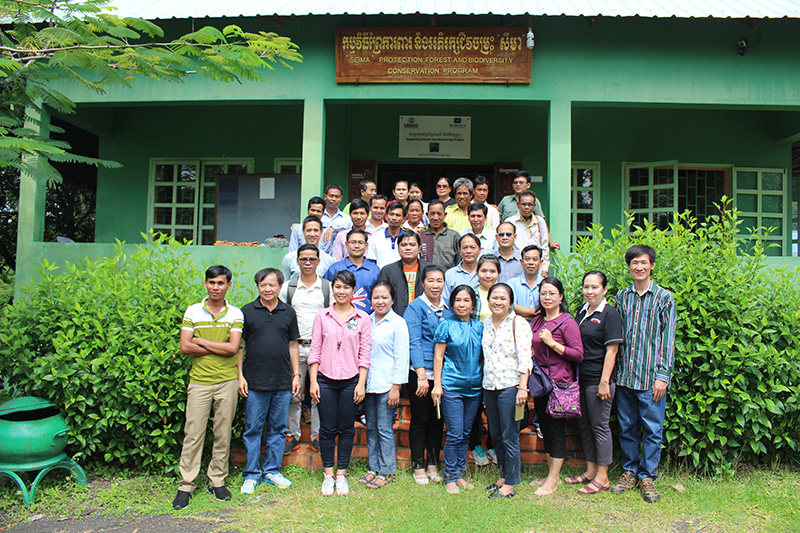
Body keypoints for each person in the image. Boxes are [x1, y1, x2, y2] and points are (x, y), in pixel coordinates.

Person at [173, 265, 243, 510]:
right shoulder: (193, 311)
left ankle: (217, 480)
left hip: (227, 381)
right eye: (211, 282)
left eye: (220, 283)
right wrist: (219, 347)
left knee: (223, 433)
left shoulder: (235, 313)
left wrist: (200, 341)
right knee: (193, 434)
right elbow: (185, 347)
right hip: (199, 382)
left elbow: (233, 349)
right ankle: (186, 484)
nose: (216, 287)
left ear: (228, 286)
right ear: (205, 284)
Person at [611, 245, 676, 503]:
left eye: (644, 262)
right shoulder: (622, 297)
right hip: (625, 375)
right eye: (634, 263)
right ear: (629, 267)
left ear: (652, 265)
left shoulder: (664, 298)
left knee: (652, 430)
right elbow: (616, 336)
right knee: (627, 428)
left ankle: (647, 476)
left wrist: (663, 376)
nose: (639, 267)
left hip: (651, 379)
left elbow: (668, 340)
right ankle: (629, 471)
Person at [308, 270, 372, 496]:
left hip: (350, 381)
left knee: (346, 428)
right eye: (337, 287)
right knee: (326, 428)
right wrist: (313, 381)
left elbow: (365, 354)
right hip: (324, 379)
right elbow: (315, 350)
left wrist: (361, 383)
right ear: (332, 289)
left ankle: (342, 473)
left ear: (353, 290)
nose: (341, 291)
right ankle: (328, 475)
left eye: (346, 287)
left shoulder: (363, 318)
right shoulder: (322, 316)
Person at [238, 268, 301, 494]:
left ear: (280, 287)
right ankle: (252, 473)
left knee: (278, 428)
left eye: (272, 285)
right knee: (253, 429)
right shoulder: (247, 311)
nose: (267, 289)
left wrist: (296, 374)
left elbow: (293, 344)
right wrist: (240, 375)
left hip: (282, 381)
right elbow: (240, 345)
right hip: (254, 382)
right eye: (263, 285)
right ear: (258, 286)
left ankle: (272, 470)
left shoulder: (288, 312)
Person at [567, 271, 623, 495]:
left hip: (599, 380)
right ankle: (590, 471)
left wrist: (604, 381)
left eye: (594, 287)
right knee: (584, 425)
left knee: (600, 426)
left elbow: (612, 351)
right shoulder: (582, 312)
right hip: (581, 379)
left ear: (604, 289)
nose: (589, 291)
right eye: (586, 287)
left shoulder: (610, 315)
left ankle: (602, 477)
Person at [529, 277, 584, 496]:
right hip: (540, 383)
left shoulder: (567, 322)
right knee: (544, 428)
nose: (547, 297)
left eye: (552, 293)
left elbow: (578, 354)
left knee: (556, 431)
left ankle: (553, 479)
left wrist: (553, 343)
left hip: (559, 385)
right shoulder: (537, 321)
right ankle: (551, 474)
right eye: (543, 293)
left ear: (560, 296)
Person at [431, 285, 484, 495]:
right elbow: (438, 356)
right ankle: (450, 477)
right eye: (458, 300)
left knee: (465, 433)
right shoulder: (445, 325)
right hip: (452, 386)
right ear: (452, 304)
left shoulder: (480, 327)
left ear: (473, 304)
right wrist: (437, 385)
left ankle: (460, 474)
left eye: (466, 300)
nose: (462, 304)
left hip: (475, 388)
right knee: (454, 433)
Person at [481, 283, 532, 499]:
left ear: (510, 302)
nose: (498, 302)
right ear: (488, 300)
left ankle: (511, 483)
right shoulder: (486, 323)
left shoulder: (518, 323)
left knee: (510, 435)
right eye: (494, 298)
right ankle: (503, 476)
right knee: (496, 434)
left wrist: (522, 387)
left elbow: (525, 357)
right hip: (490, 386)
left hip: (510, 386)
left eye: (503, 298)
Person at [280, 243, 330, 455]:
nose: (308, 263)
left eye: (312, 259)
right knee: (294, 394)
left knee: (319, 394)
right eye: (303, 259)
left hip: (321, 349)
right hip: (295, 347)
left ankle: (317, 435)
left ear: (318, 262)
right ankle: (293, 435)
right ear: (297, 261)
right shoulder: (288, 287)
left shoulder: (327, 288)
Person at [360, 281, 410, 489]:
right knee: (371, 428)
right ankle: (373, 468)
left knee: (384, 429)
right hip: (368, 384)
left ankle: (387, 470)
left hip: (387, 385)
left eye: (384, 297)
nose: (380, 301)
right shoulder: (366, 320)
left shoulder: (398, 323)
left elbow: (402, 357)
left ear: (392, 300)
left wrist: (396, 387)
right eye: (376, 297)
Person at [404, 265, 451, 485]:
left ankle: (433, 463)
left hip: (442, 374)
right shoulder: (415, 307)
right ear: (422, 283)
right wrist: (422, 376)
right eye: (430, 280)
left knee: (437, 419)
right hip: (420, 372)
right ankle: (418, 465)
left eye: (439, 280)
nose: (435, 285)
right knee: (421, 419)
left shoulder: (448, 308)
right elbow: (413, 341)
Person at [468, 253, 502, 466]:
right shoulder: (471, 294)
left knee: (495, 403)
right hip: (473, 354)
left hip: (498, 357)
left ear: (498, 273)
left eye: (492, 271)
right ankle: (474, 445)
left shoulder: (502, 293)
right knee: (474, 401)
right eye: (484, 270)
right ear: (477, 272)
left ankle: (493, 444)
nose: (488, 275)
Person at [498, 171, 560, 250]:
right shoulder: (505, 200)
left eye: (521, 182)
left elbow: (541, 222)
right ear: (518, 205)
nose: (518, 185)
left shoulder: (535, 201)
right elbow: (498, 218)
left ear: (528, 185)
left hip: (529, 238)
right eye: (515, 182)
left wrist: (550, 241)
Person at [376, 231, 433, 316]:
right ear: (398, 248)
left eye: (412, 245)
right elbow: (381, 297)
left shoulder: (430, 270)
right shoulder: (387, 271)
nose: (408, 248)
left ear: (419, 248)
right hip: (395, 318)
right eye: (403, 245)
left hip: (425, 317)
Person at [325, 228, 381, 315]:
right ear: (346, 245)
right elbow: (327, 295)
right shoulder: (334, 269)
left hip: (368, 318)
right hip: (338, 318)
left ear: (366, 245)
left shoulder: (375, 270)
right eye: (353, 242)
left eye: (360, 243)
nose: (356, 246)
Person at [506, 191, 551, 276]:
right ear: (518, 205)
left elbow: (544, 246)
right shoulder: (510, 222)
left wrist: (545, 269)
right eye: (523, 204)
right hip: (515, 267)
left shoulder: (540, 221)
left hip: (535, 268)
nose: (526, 207)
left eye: (530, 204)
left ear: (534, 206)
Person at [419, 199, 460, 270]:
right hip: (425, 276)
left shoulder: (454, 236)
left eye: (439, 214)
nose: (435, 218)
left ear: (445, 215)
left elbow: (459, 262)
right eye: (432, 214)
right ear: (427, 215)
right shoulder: (420, 236)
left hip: (447, 276)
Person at [508, 244, 544, 320]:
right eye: (527, 259)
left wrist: (520, 316)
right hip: (517, 326)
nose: (531, 262)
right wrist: (535, 313)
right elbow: (510, 306)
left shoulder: (546, 284)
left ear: (540, 263)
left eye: (535, 259)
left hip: (541, 326)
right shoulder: (512, 283)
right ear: (521, 262)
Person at [443, 233, 481, 302]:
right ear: (460, 251)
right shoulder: (450, 274)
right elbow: (445, 300)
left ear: (480, 250)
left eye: (472, 247)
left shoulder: (485, 273)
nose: (469, 251)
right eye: (465, 248)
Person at [368, 201, 406, 269]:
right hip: (381, 275)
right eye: (391, 214)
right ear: (386, 216)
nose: (394, 218)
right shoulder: (375, 238)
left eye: (398, 215)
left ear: (404, 219)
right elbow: (371, 263)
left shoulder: (408, 239)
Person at [320, 184, 351, 254]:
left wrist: (333, 228)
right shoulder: (319, 217)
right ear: (325, 196)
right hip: (321, 256)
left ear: (341, 198)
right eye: (331, 196)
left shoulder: (347, 219)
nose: (334, 199)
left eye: (337, 196)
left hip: (340, 257)